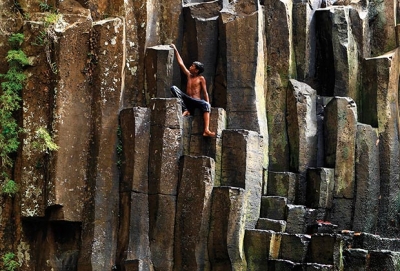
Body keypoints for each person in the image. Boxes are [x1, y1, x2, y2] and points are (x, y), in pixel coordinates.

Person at [170, 44, 216, 137]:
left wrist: (208, 104)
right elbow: (181, 63)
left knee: (206, 104)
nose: (190, 67)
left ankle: (206, 130)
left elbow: (205, 92)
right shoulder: (188, 75)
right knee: (173, 88)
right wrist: (175, 49)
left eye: (192, 66)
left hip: (196, 101)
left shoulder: (201, 78)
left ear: (197, 70)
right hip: (187, 99)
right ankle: (186, 109)